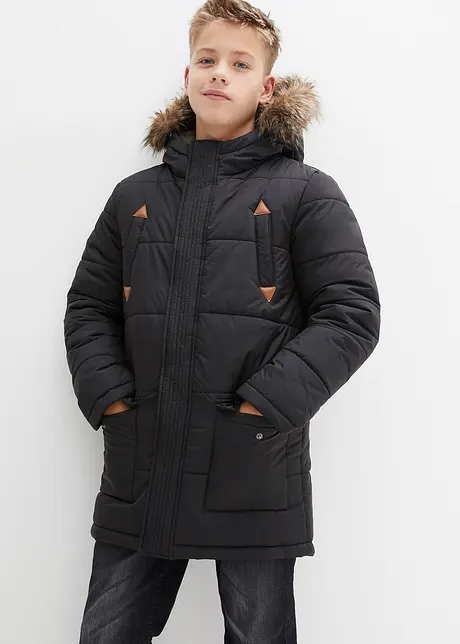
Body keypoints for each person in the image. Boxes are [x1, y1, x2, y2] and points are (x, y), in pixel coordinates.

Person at [63, 1, 381, 642]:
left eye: (240, 64)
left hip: (252, 465)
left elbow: (352, 313)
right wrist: (114, 405)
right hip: (143, 466)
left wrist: (262, 408)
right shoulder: (135, 197)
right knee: (105, 632)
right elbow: (88, 307)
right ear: (187, 75)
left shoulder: (305, 191)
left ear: (266, 88)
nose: (219, 73)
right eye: (207, 59)